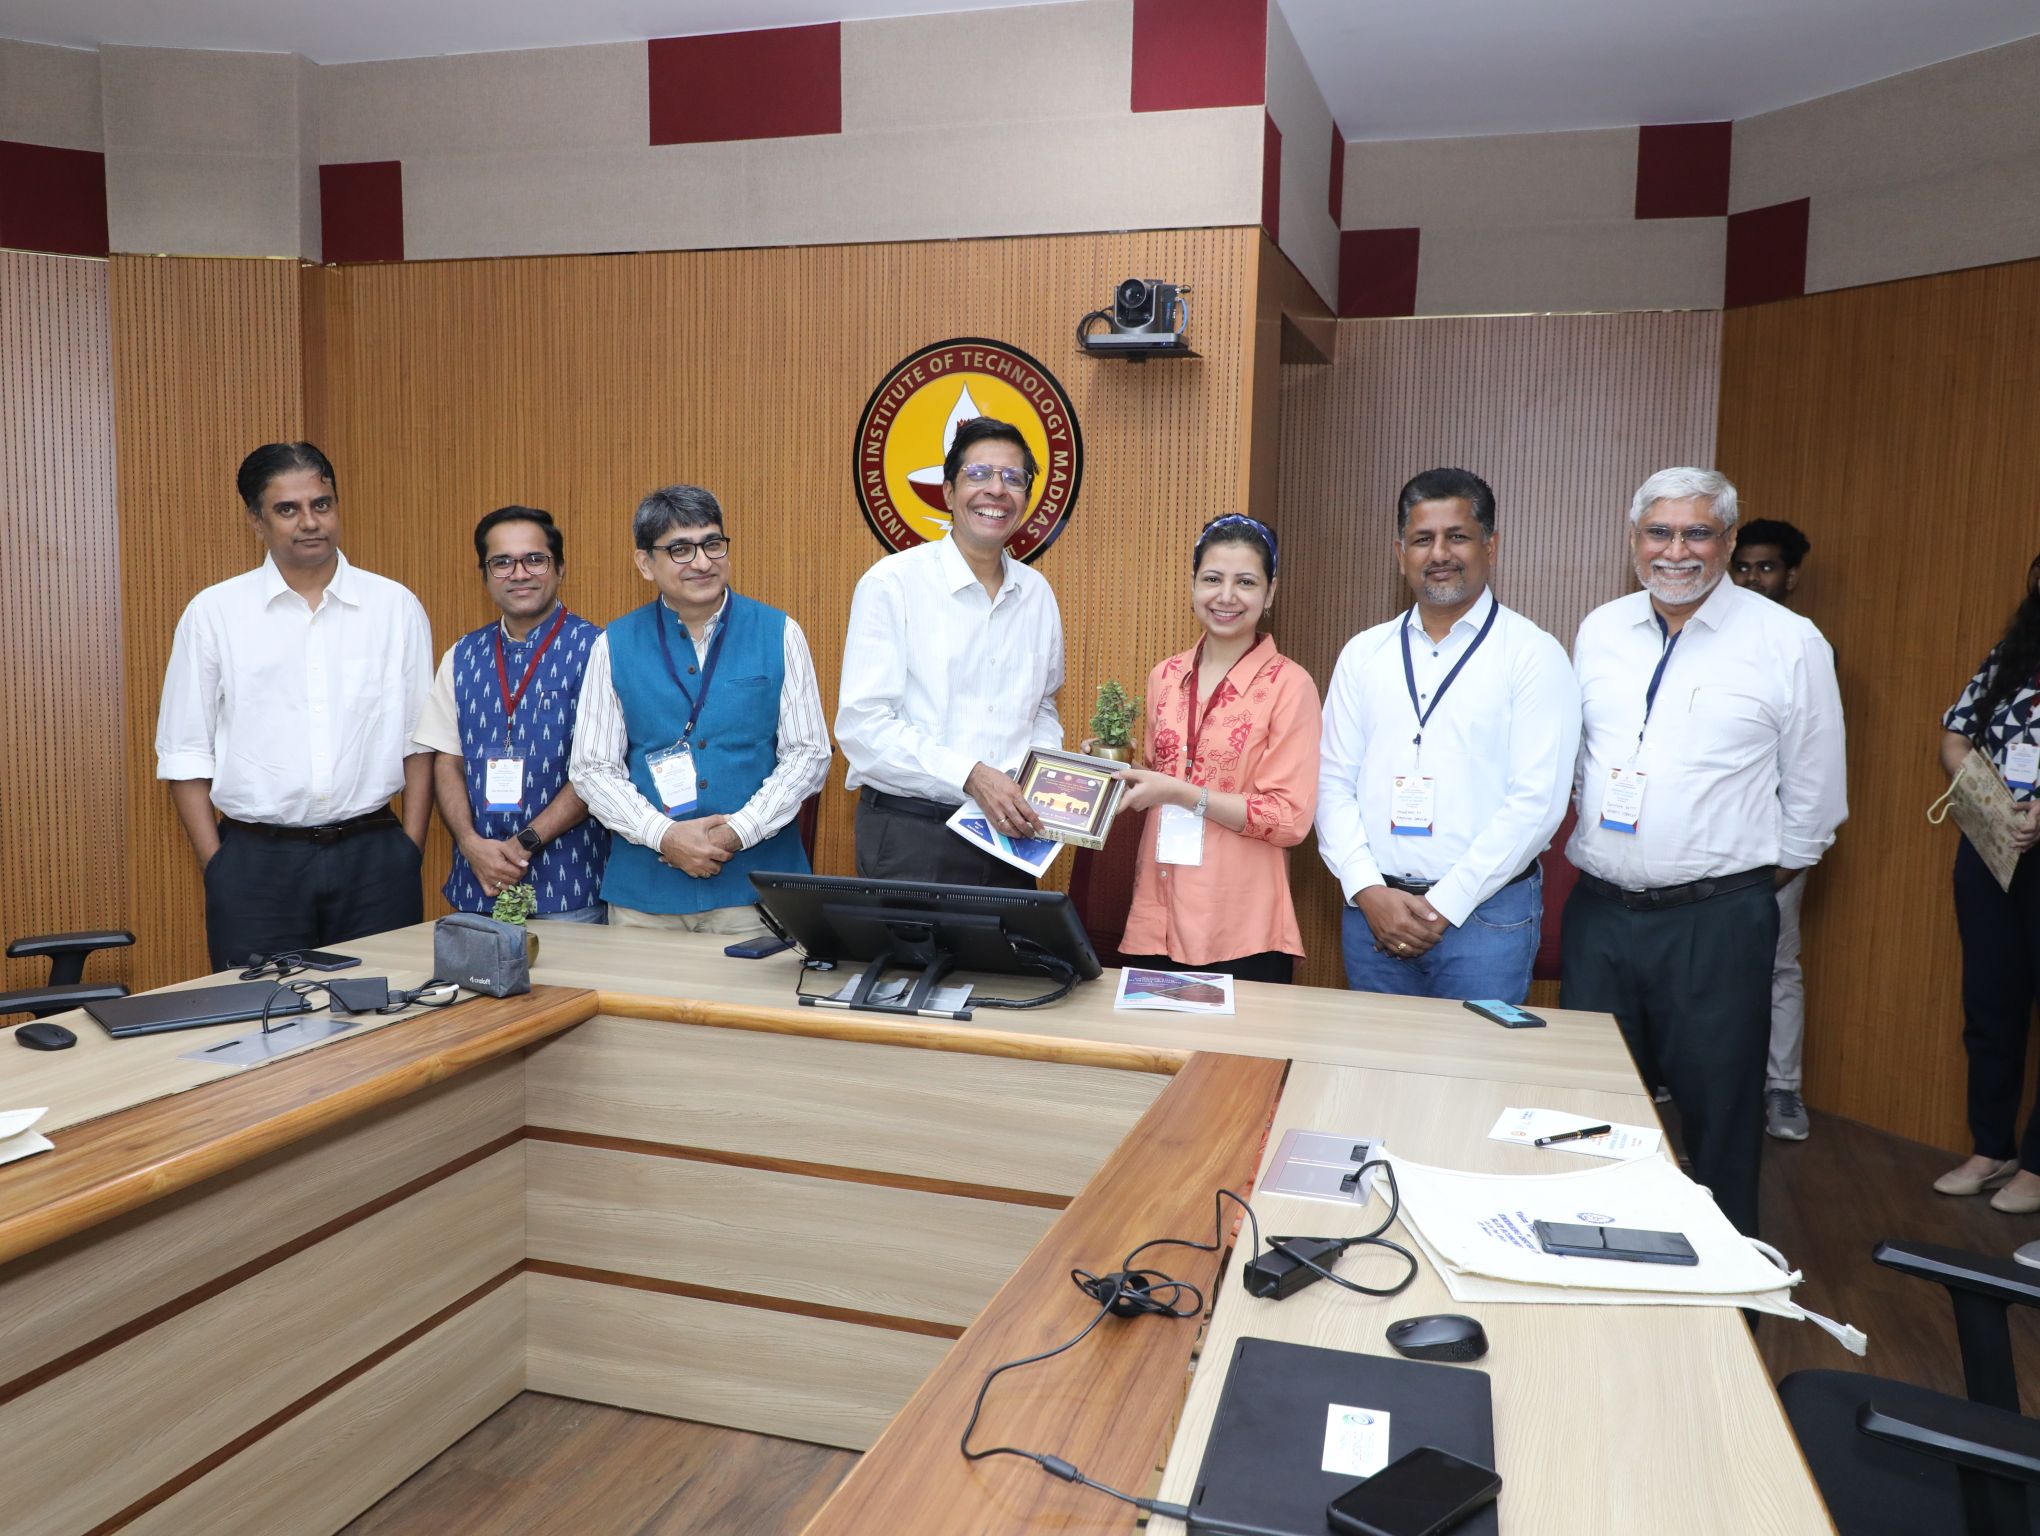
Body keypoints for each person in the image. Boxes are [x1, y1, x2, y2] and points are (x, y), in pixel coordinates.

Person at [1561, 467, 1846, 1237]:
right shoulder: (1599, 631)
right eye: (1660, 532)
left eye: (1697, 533)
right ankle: (1595, 1256)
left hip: (1717, 922)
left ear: (1726, 540)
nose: (1676, 551)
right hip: (1600, 917)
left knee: (1720, 1119)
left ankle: (1724, 1302)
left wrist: (1736, 887)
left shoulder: (1788, 642)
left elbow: (1815, 799)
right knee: (1589, 1112)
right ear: (1633, 541)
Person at [156, 442, 434, 971]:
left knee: (386, 1023)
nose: (310, 522)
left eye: (321, 504)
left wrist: (409, 850)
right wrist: (219, 866)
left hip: (374, 856)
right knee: (265, 1028)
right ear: (256, 521)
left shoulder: (393, 606)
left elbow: (418, 739)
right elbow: (185, 752)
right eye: (288, 509)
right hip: (256, 864)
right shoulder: (215, 612)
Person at [1316, 469, 1579, 1002]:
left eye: (1456, 536)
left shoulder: (1532, 654)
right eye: (1422, 539)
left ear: (1491, 545)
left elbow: (1537, 804)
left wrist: (1445, 904)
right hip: (1374, 916)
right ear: (1400, 553)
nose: (1439, 553)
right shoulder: (1364, 654)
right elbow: (1331, 783)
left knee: (1476, 1079)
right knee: (1376, 1077)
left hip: (1486, 918)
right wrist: (1367, 889)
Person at [568, 485, 830, 933]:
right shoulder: (612, 644)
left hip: (755, 892)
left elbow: (809, 755)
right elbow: (593, 768)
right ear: (645, 564)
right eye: (680, 550)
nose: (703, 562)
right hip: (645, 896)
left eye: (712, 543)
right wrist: (665, 836)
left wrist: (736, 833)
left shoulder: (780, 632)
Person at [836, 417, 1064, 887]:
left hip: (1010, 838)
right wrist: (971, 775)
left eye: (1013, 478)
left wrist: (1042, 776)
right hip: (912, 835)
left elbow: (1042, 705)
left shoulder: (1037, 593)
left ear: (1026, 498)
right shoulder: (892, 584)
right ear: (946, 492)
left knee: (1000, 964)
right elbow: (863, 728)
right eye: (979, 474)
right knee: (910, 965)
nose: (996, 490)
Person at [1114, 515, 1319, 984]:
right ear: (1193, 586)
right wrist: (1114, 766)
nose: (1226, 596)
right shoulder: (1163, 677)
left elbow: (1289, 820)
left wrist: (1182, 793)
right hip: (1156, 917)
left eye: (1245, 582)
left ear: (1269, 595)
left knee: (1236, 1060)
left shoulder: (1291, 685)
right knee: (1153, 1056)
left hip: (1241, 927)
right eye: (1212, 579)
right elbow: (1158, 774)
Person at [411, 506, 608, 921]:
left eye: (535, 559)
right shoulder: (461, 654)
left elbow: (599, 769)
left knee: (570, 990)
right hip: (477, 886)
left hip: (571, 889)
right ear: (483, 575)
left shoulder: (600, 651)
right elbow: (447, 760)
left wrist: (522, 846)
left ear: (561, 569)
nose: (519, 573)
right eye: (501, 562)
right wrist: (468, 842)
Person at [1933, 552, 2040, 1212]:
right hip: (1991, 846)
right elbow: (1954, 735)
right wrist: (1991, 802)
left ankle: (2037, 1167)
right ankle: (1992, 1147)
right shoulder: (2013, 654)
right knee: (1991, 1005)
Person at [1732, 516, 1820, 1142]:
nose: (1752, 579)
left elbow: (1815, 769)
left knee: (1777, 966)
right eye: (1743, 567)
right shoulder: (1711, 641)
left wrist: (1789, 857)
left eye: (1765, 567)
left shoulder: (1805, 647)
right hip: (1712, 849)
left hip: (1778, 849)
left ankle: (1782, 1090)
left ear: (1791, 577)